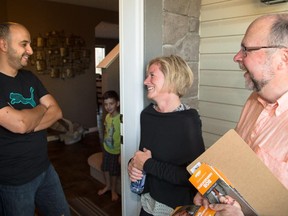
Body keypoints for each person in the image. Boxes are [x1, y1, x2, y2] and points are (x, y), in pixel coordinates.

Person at [194, 13, 288, 216]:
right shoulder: (253, 102)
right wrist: (211, 191)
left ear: (283, 58)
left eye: (247, 50)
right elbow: (234, 166)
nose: (237, 57)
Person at [0, 22, 70, 215]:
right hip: (14, 181)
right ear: (3, 45)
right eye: (24, 44)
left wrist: (27, 120)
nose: (30, 50)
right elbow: (19, 125)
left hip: (45, 169)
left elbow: (57, 112)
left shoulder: (29, 77)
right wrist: (40, 108)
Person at [128, 55, 205, 216]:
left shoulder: (188, 120)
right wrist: (133, 165)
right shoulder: (147, 115)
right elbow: (144, 155)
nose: (145, 81)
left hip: (176, 209)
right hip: (149, 204)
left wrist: (147, 164)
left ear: (171, 78)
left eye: (152, 75)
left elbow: (193, 175)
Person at [98, 90, 121, 201]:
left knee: (114, 172)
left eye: (111, 104)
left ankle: (113, 190)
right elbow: (106, 131)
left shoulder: (121, 118)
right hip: (107, 148)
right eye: (106, 104)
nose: (108, 107)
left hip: (116, 151)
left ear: (117, 103)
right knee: (105, 168)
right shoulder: (107, 116)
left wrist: (121, 153)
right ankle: (107, 186)